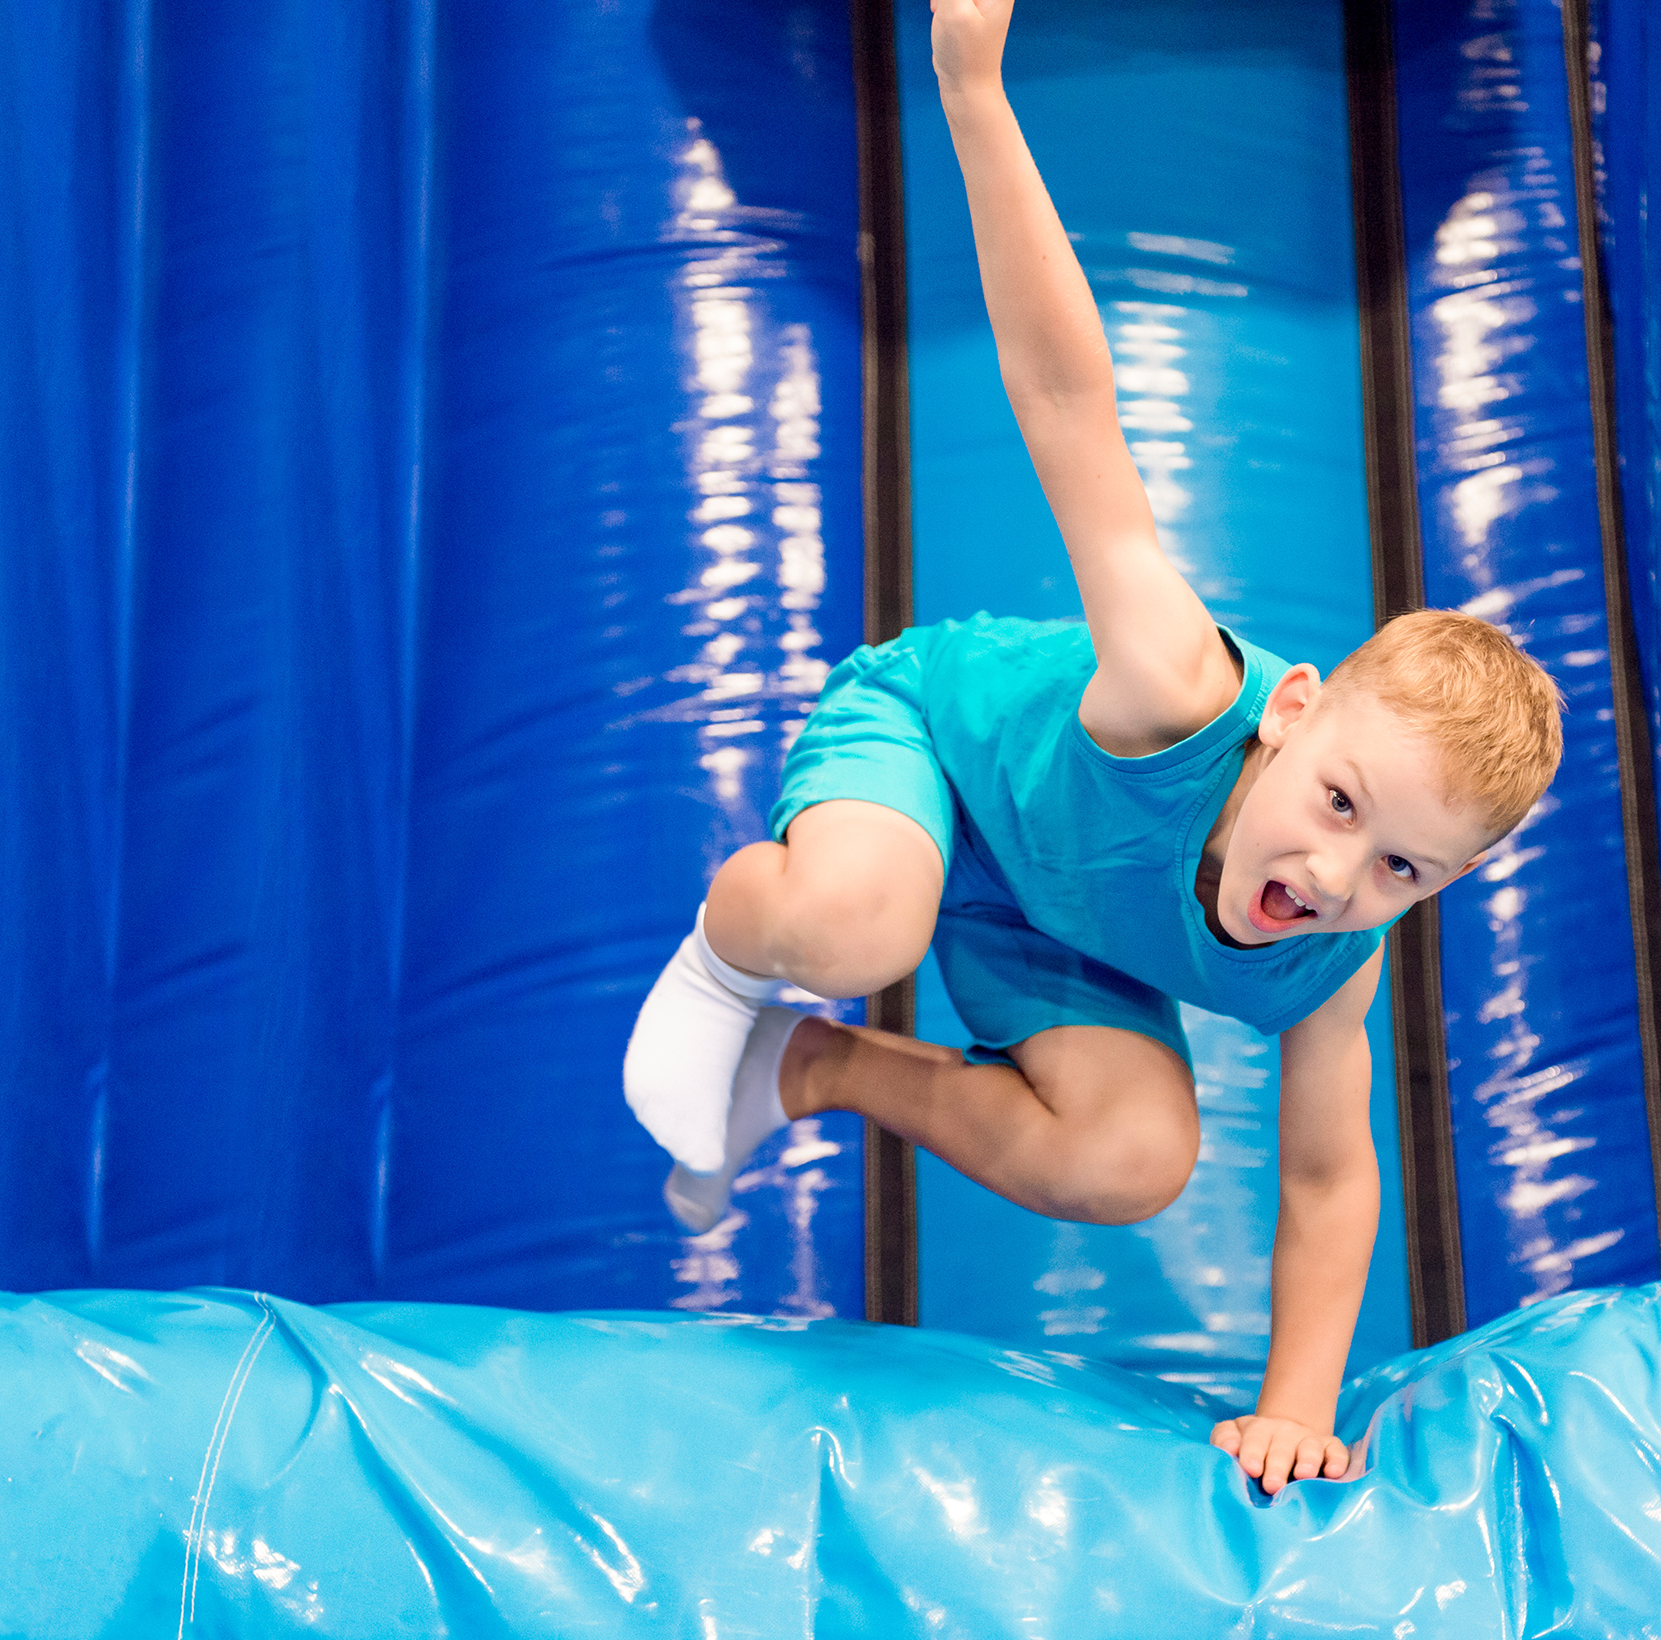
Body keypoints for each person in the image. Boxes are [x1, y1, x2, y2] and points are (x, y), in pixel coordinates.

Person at [622, 0, 1562, 1496]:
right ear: (1296, 710)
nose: (1334, 874)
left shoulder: (1334, 960)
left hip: (1052, 921)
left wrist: (1297, 1410)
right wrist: (975, 89)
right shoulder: (1173, 686)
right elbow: (1069, 402)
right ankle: (736, 962)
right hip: (931, 753)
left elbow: (1328, 1177)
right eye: (1337, 805)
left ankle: (815, 1066)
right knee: (864, 916)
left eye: (1401, 868)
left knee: (1133, 1161)